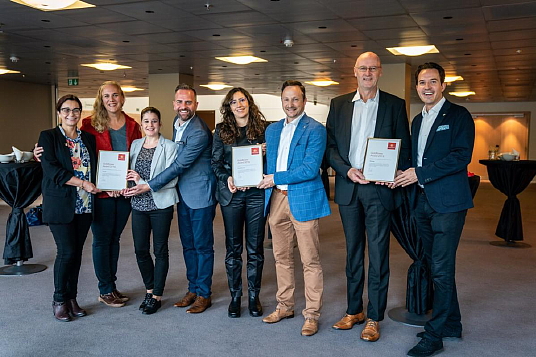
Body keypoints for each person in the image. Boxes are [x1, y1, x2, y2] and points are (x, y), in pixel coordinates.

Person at [325, 51, 410, 341]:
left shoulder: (394, 105)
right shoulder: (337, 105)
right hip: (349, 188)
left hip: (378, 191)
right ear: (355, 71)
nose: (368, 73)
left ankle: (374, 317)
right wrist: (346, 171)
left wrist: (392, 173)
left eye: (373, 68)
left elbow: (404, 148)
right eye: (363, 68)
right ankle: (353, 311)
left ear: (380, 72)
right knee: (352, 254)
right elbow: (331, 148)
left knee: (378, 255)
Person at [394, 62, 475, 357]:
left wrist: (420, 173)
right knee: (436, 267)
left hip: (449, 204)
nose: (427, 87)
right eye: (422, 83)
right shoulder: (418, 120)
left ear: (443, 85)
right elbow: (415, 159)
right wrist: (402, 174)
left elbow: (460, 156)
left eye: (433, 82)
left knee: (440, 269)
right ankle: (452, 323)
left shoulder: (458, 116)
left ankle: (435, 334)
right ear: (416, 87)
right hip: (423, 203)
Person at [125, 83, 216, 314]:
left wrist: (149, 185)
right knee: (188, 246)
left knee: (202, 246)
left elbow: (179, 164)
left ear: (196, 104)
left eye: (188, 102)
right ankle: (193, 288)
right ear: (174, 104)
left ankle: (204, 294)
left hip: (199, 195)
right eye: (180, 102)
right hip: (182, 195)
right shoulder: (178, 125)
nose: (183, 106)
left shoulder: (198, 131)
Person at [258, 80, 330, 337]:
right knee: (281, 258)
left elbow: (310, 169)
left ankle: (311, 314)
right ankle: (285, 306)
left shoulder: (316, 129)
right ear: (281, 101)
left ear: (304, 101)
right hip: (276, 199)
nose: (290, 104)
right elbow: (270, 163)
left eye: (295, 99)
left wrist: (275, 177)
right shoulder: (273, 130)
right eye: (286, 99)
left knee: (310, 260)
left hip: (303, 199)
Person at [78, 81, 142, 307]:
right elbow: (75, 151)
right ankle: (104, 289)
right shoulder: (88, 125)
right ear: (101, 99)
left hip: (124, 191)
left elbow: (136, 156)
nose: (111, 99)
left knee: (114, 239)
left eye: (115, 95)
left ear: (122, 98)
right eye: (107, 96)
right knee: (102, 239)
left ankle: (112, 286)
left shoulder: (133, 125)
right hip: (101, 192)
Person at [38, 95, 100, 321]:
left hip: (84, 204)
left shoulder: (88, 139)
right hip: (60, 204)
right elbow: (52, 170)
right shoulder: (49, 137)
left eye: (75, 110)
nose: (71, 114)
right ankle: (59, 299)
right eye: (66, 110)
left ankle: (72, 298)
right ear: (59, 112)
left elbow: (97, 167)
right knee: (66, 252)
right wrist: (82, 182)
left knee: (76, 253)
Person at [211, 87, 267, 318]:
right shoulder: (221, 130)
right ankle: (236, 296)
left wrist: (266, 152)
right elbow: (215, 163)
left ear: (249, 102)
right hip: (232, 195)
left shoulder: (264, 129)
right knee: (233, 249)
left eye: (242, 100)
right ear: (229, 107)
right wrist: (229, 178)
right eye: (233, 102)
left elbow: (275, 160)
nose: (239, 105)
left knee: (255, 249)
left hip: (255, 195)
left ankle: (254, 296)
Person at [126, 107, 179, 315]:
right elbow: (129, 172)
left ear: (160, 124)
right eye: (146, 121)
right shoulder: (135, 144)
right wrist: (126, 182)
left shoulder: (170, 147)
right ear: (141, 124)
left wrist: (143, 182)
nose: (150, 125)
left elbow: (172, 177)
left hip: (160, 205)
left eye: (154, 121)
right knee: (140, 249)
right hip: (138, 205)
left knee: (160, 250)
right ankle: (149, 289)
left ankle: (157, 295)